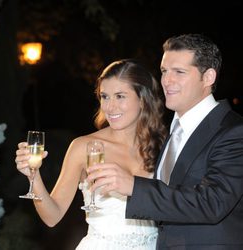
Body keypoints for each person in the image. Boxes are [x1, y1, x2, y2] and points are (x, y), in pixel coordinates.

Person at [88, 33, 243, 249]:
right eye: (164, 71)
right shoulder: (172, 130)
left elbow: (212, 202)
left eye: (179, 72)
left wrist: (134, 186)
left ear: (208, 77)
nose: (167, 81)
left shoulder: (234, 131)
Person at [15, 59, 167, 249]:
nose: (110, 107)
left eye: (120, 96)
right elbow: (52, 217)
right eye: (105, 96)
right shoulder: (83, 147)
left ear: (143, 99)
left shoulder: (164, 146)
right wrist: (33, 177)